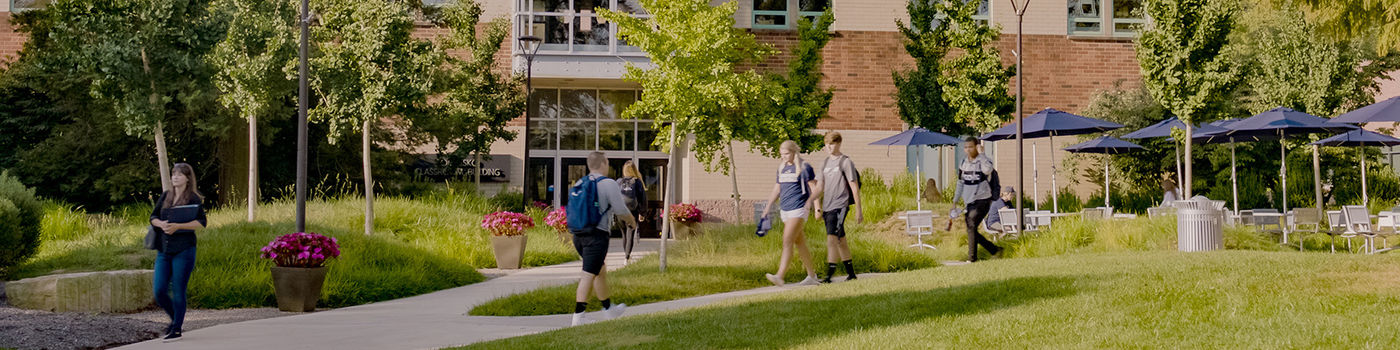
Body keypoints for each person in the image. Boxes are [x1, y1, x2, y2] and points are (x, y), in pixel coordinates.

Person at [568, 152, 637, 326]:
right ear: (603, 163)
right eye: (607, 162)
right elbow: (621, 210)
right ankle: (578, 316)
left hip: (578, 235)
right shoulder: (608, 183)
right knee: (588, 275)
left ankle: (608, 309)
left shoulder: (580, 182)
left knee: (600, 271)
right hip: (596, 236)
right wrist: (632, 221)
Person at [149, 163, 208, 342]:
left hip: (184, 249)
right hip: (164, 250)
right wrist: (162, 224)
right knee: (159, 290)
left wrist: (178, 226)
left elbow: (201, 223)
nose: (175, 177)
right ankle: (176, 319)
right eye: (173, 174)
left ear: (188, 178)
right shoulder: (166, 196)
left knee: (178, 289)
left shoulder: (193, 198)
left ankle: (176, 329)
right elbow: (153, 217)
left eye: (179, 174)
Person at [760, 140, 820, 287]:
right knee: (800, 243)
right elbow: (777, 188)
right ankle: (812, 276)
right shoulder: (782, 168)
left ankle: (780, 276)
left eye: (786, 154)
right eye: (782, 154)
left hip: (799, 209)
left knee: (787, 241)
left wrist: (817, 208)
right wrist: (768, 206)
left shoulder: (805, 167)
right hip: (785, 210)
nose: (784, 157)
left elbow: (814, 187)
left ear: (794, 152)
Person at [813, 132, 862, 283]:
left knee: (831, 239)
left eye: (832, 143)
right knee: (841, 240)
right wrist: (816, 206)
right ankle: (851, 274)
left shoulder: (846, 162)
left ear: (839, 144)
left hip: (841, 206)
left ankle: (829, 275)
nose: (829, 146)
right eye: (827, 143)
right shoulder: (824, 164)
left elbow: (854, 188)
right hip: (827, 207)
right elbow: (819, 187)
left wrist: (859, 210)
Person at [953, 137, 1002, 262]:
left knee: (971, 225)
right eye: (966, 147)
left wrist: (982, 154)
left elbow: (988, 170)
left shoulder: (984, 161)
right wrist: (955, 200)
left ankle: (972, 258)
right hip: (970, 202)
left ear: (977, 147)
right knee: (971, 228)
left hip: (983, 200)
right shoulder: (964, 163)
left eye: (971, 147)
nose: (968, 149)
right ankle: (994, 250)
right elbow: (960, 182)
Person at [616, 160, 647, 262]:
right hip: (632, 211)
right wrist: (642, 213)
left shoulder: (619, 181)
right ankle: (627, 257)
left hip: (620, 212)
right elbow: (642, 198)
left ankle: (626, 256)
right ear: (634, 170)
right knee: (630, 234)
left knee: (624, 235)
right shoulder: (637, 182)